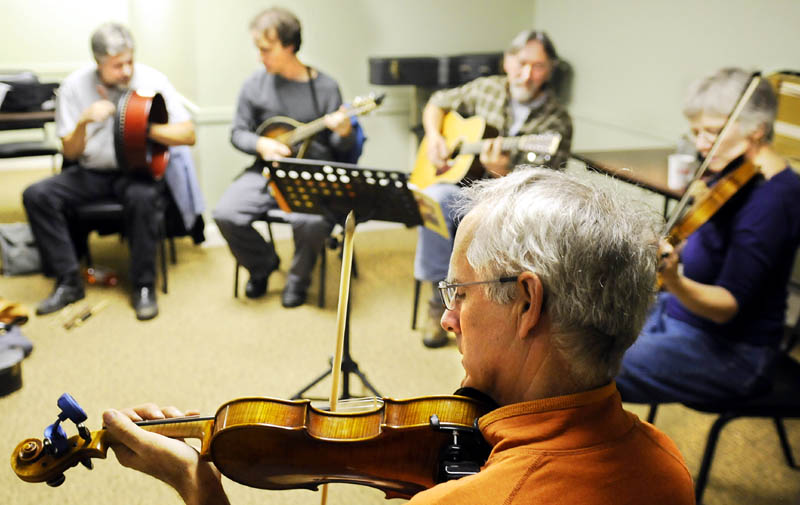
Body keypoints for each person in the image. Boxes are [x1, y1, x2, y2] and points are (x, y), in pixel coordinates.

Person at [102, 168, 695, 504]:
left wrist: (192, 481)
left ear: (528, 304)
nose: (447, 319)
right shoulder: (668, 465)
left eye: (459, 292)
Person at [616, 68, 800, 404]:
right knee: (586, 324)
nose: (701, 145)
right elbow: (706, 247)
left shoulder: (775, 200)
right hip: (679, 313)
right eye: (696, 132)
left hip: (732, 351)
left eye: (712, 132)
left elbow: (726, 307)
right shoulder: (733, 171)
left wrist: (673, 278)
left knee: (593, 366)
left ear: (757, 129)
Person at [22, 22, 195, 321]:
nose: (126, 71)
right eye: (117, 65)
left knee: (143, 199)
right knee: (37, 195)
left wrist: (145, 126)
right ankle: (68, 281)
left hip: (137, 172)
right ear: (98, 63)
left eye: (130, 61)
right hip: (92, 173)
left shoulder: (153, 79)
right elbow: (70, 152)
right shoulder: (74, 87)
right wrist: (83, 122)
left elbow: (188, 135)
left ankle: (143, 287)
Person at [415, 29, 573, 347]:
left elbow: (545, 187)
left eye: (539, 67)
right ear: (507, 61)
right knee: (433, 199)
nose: (528, 75)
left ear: (550, 70)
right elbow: (436, 103)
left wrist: (502, 174)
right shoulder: (486, 89)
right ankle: (438, 302)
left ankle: (488, 314)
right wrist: (435, 137)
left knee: (484, 223)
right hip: (464, 185)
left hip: (514, 203)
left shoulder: (556, 122)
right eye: (522, 62)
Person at [212, 7, 356, 308]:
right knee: (226, 214)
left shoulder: (325, 87)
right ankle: (263, 265)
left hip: (310, 175)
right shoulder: (254, 85)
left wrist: (343, 133)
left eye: (266, 49)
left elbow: (343, 151)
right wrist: (261, 144)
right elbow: (238, 132)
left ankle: (297, 281)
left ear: (289, 46)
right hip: (264, 171)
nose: (259, 57)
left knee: (311, 222)